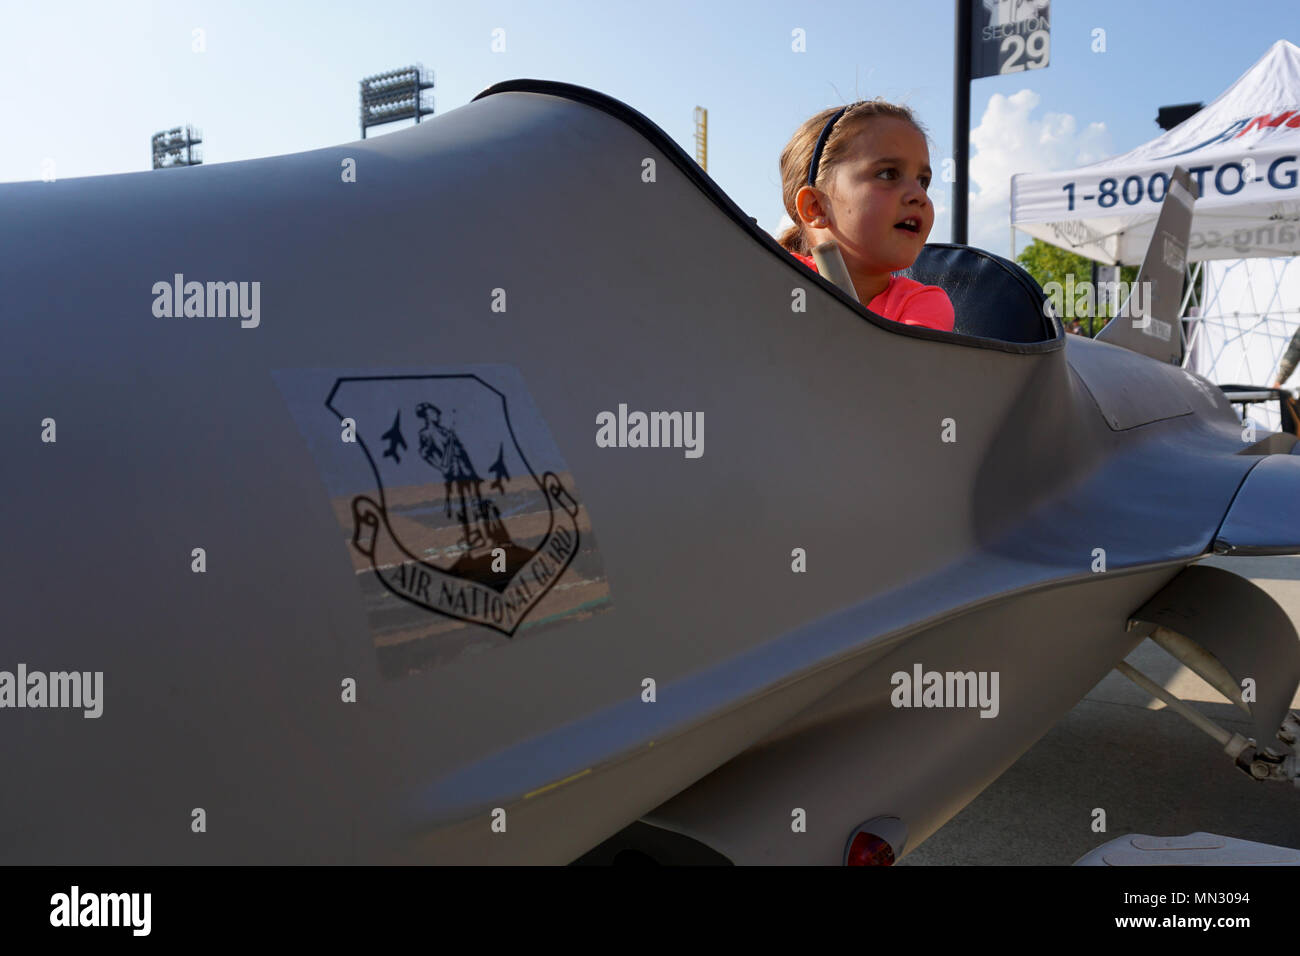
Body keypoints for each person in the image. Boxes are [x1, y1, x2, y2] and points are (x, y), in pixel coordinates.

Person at [776, 99, 955, 332]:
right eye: (888, 174)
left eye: (923, 181)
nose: (919, 195)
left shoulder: (924, 304)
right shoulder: (774, 277)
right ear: (816, 207)